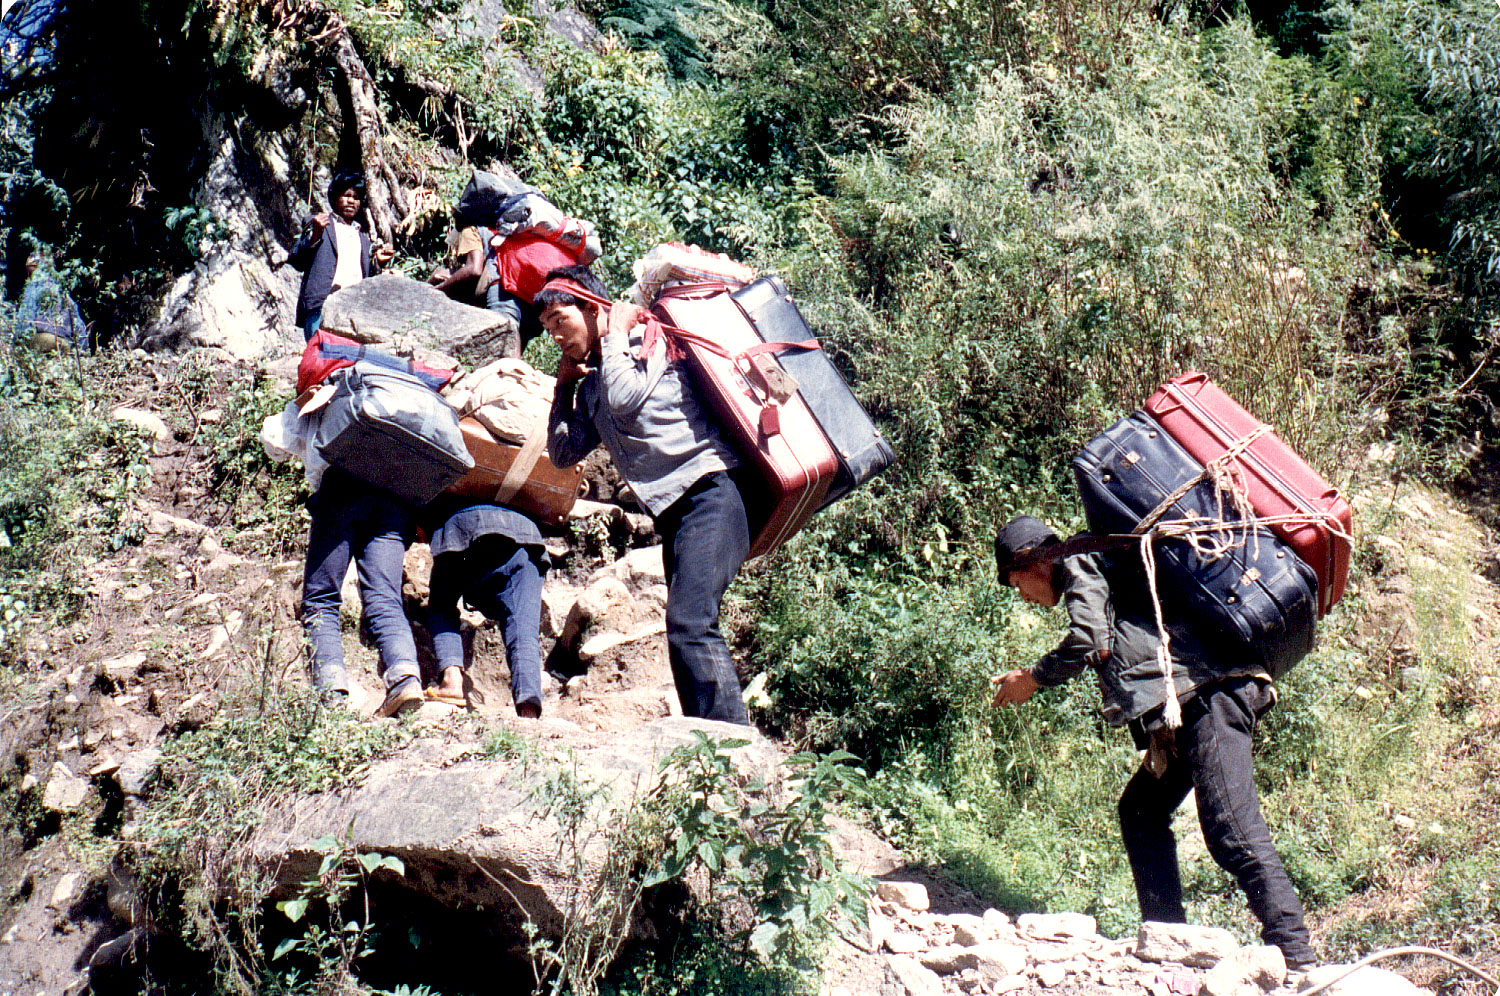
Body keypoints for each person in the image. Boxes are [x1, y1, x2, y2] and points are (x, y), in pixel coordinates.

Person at [988, 515, 1317, 969]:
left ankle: (1298, 957)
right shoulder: (1096, 562)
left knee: (1232, 830)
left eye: (1015, 582)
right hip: (1187, 704)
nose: (1022, 595)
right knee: (1141, 811)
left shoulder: (1077, 561)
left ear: (1031, 562)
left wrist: (1033, 678)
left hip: (1210, 695)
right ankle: (1169, 942)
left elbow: (1089, 640)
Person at [541, 264, 755, 725]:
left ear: (594, 307)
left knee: (690, 622)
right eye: (547, 329)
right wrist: (563, 388)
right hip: (676, 513)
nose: (555, 336)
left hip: (713, 492)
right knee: (683, 628)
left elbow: (623, 398)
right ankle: (706, 744)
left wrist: (617, 329)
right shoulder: (596, 381)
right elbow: (561, 452)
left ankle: (736, 748)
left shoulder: (645, 341)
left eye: (561, 320)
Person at [301, 466, 425, 718]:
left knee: (320, 599)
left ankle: (331, 691)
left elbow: (284, 442)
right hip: (395, 494)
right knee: (386, 600)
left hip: (342, 484)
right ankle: (405, 679)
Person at [423, 498, 549, 718]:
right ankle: (528, 712)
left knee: (441, 608)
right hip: (523, 535)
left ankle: (452, 681)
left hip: (460, 527)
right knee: (523, 630)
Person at [290, 172, 394, 341]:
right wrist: (315, 235)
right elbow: (296, 260)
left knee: (347, 359)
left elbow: (365, 274)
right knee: (320, 355)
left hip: (353, 309)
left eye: (356, 197)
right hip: (321, 305)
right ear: (333, 199)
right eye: (346, 195)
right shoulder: (319, 224)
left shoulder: (363, 237)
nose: (351, 201)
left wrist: (376, 262)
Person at [12, 251, 85, 351]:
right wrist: (82, 350)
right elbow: (78, 324)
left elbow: (25, 319)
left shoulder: (34, 287)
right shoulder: (61, 290)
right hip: (65, 344)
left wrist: (16, 343)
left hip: (45, 340)